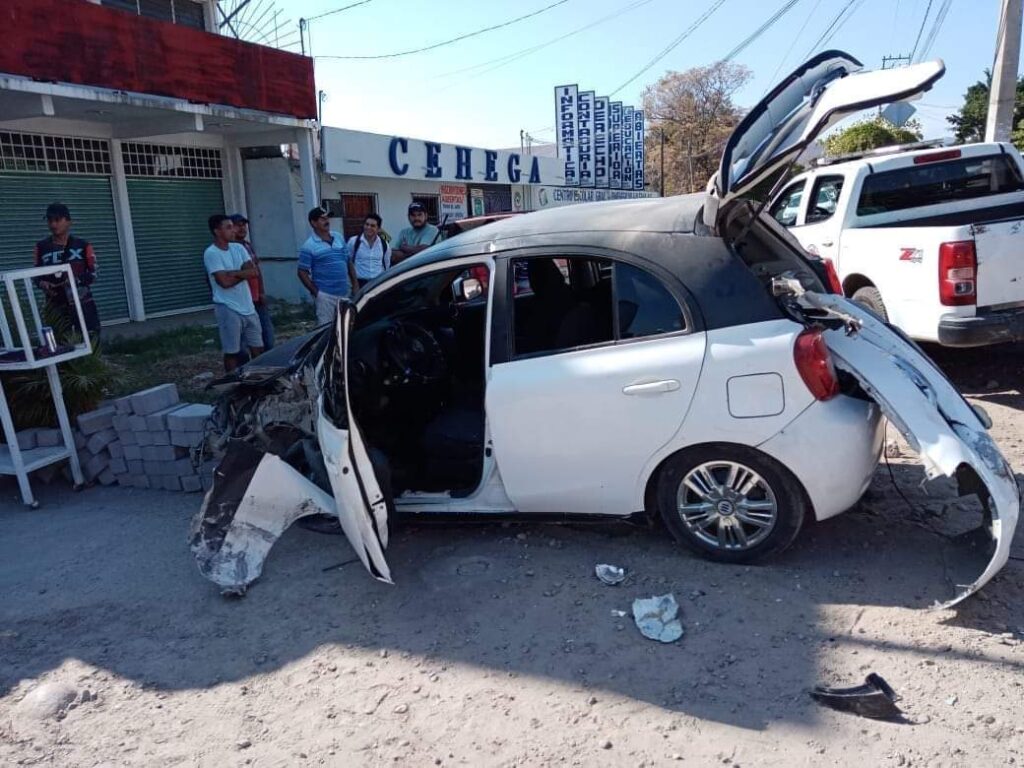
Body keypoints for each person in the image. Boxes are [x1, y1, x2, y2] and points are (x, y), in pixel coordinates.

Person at [33, 202, 102, 340]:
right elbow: (35, 276)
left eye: (57, 220)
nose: (53, 225)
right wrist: (42, 284)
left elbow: (94, 274)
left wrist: (75, 280)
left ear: (69, 221)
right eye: (50, 220)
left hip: (82, 303)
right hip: (55, 306)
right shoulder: (41, 247)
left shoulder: (83, 245)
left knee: (90, 340)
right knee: (61, 343)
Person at [204, 214, 263, 372]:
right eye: (228, 227)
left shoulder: (239, 248)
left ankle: (259, 379)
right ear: (217, 231)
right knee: (232, 351)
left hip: (248, 306)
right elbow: (224, 283)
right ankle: (232, 382)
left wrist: (233, 273)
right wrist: (242, 274)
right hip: (228, 307)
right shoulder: (212, 253)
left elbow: (253, 271)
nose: (233, 230)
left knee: (258, 347)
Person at [298, 206, 358, 326]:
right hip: (326, 296)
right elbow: (301, 272)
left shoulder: (338, 237)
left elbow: (348, 261)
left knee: (347, 328)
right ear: (313, 223)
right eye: (322, 219)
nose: (327, 221)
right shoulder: (309, 246)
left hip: (344, 293)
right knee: (327, 330)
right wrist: (317, 293)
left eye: (327, 218)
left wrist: (355, 284)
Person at [230, 213, 274, 351]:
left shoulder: (247, 245)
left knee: (267, 336)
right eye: (238, 225)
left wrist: (261, 292)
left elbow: (257, 270)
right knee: (242, 341)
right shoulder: (229, 249)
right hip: (241, 299)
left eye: (244, 225)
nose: (242, 228)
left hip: (256, 297)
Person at [347, 213, 391, 289]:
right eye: (367, 224)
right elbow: (348, 262)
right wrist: (354, 284)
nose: (368, 227)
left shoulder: (384, 244)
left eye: (372, 226)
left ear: (379, 229)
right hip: (359, 284)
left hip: (377, 284)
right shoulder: (353, 242)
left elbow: (386, 265)